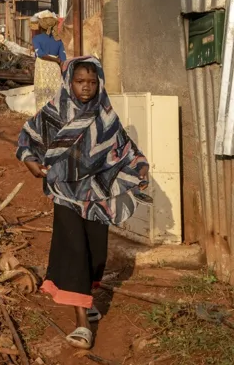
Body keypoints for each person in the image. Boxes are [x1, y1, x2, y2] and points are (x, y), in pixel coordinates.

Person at [16, 57, 150, 350]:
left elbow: (126, 149)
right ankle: (82, 323)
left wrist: (139, 166)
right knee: (75, 249)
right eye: (80, 81)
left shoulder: (106, 116)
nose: (86, 87)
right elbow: (28, 139)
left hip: (96, 196)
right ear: (69, 82)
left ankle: (86, 298)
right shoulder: (54, 112)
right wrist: (31, 162)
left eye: (92, 81)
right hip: (64, 191)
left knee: (96, 253)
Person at [31, 16, 65, 109]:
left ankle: (43, 114)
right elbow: (63, 59)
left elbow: (40, 54)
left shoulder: (36, 39)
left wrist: (56, 60)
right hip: (55, 69)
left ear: (41, 27)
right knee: (55, 91)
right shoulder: (59, 40)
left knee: (42, 93)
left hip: (42, 67)